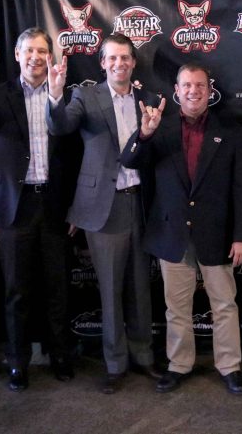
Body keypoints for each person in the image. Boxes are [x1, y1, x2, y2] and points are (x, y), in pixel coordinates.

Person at [121, 62, 242, 396]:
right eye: (187, 85)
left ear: (209, 92)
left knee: (224, 304)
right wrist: (144, 134)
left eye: (200, 85)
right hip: (172, 234)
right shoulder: (159, 127)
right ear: (177, 91)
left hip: (218, 235)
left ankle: (230, 366)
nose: (193, 91)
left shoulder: (230, 130)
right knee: (176, 307)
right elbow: (130, 160)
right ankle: (179, 364)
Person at [47, 33, 164, 394]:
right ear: (102, 63)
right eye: (112, 59)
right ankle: (115, 364)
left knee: (140, 288)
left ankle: (144, 357)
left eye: (125, 58)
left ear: (133, 62)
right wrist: (55, 94)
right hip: (104, 207)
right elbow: (61, 127)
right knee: (111, 291)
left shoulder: (149, 99)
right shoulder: (85, 96)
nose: (119, 64)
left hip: (140, 203)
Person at [0, 27, 76, 391]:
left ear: (50, 56)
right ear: (17, 56)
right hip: (15, 207)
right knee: (16, 291)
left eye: (42, 50)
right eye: (29, 50)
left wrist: (75, 206)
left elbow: (75, 156)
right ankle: (18, 361)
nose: (36, 57)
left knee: (58, 288)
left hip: (55, 204)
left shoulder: (65, 95)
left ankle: (59, 355)